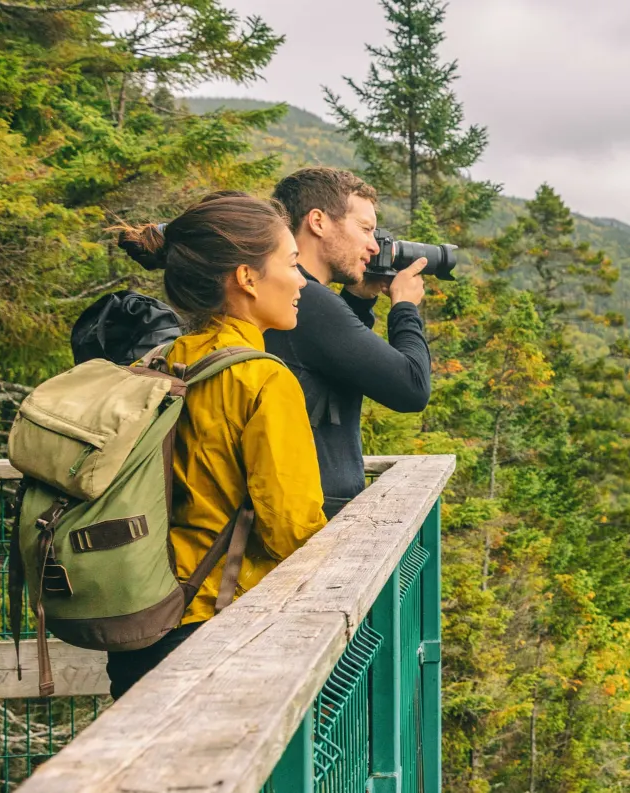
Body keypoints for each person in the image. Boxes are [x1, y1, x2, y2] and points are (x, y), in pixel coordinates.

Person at [104, 194, 328, 698]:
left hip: (142, 617)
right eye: (292, 263)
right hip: (218, 622)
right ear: (246, 277)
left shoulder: (157, 364)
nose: (301, 281)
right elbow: (292, 528)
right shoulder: (263, 380)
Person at [265, 168, 432, 518]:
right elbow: (412, 388)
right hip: (312, 523)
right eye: (365, 229)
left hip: (299, 510)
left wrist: (358, 298)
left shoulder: (288, 297)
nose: (374, 246)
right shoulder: (309, 301)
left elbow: (329, 364)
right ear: (318, 222)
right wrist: (405, 308)